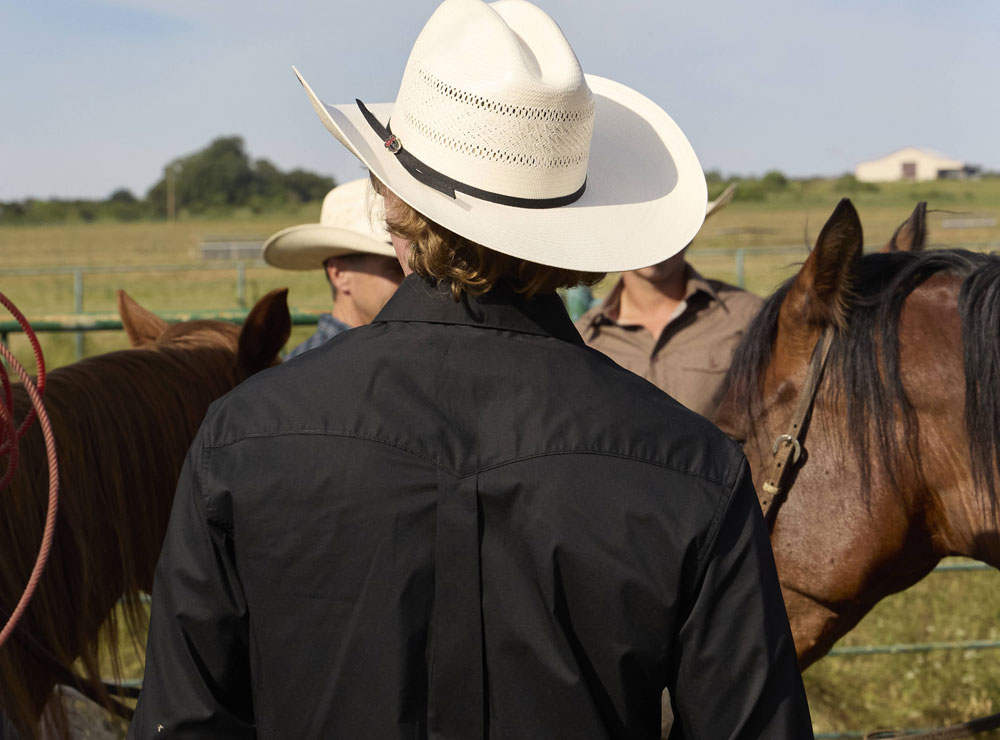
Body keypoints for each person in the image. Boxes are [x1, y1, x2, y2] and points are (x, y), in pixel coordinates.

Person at [129, 1, 813, 738]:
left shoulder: (245, 437)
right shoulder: (691, 469)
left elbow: (185, 721)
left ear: (392, 204)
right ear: (574, 231)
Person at [576, 183, 763, 419]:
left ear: (691, 232)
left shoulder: (749, 316)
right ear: (616, 235)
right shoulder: (583, 339)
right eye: (639, 227)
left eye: (668, 227)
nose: (654, 242)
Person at [262, 178, 404, 359]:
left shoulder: (304, 368)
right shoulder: (312, 371)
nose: (412, 280)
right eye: (395, 269)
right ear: (339, 274)